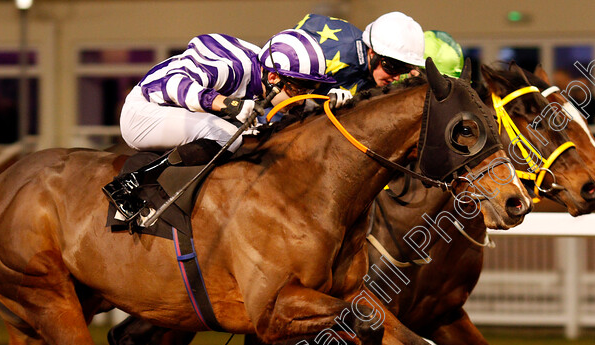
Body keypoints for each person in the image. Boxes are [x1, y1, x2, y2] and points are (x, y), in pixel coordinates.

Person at [104, 29, 336, 219]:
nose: (302, 97)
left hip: (173, 114)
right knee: (227, 134)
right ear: (273, 77)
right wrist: (228, 104)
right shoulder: (232, 69)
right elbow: (174, 83)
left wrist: (333, 102)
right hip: (144, 113)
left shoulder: (267, 74)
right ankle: (131, 182)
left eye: (309, 90)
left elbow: (302, 108)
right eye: (298, 89)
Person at [294, 11, 425, 103]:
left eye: (403, 71)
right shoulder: (336, 50)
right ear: (372, 53)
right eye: (391, 67)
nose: (396, 77)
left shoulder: (378, 73)